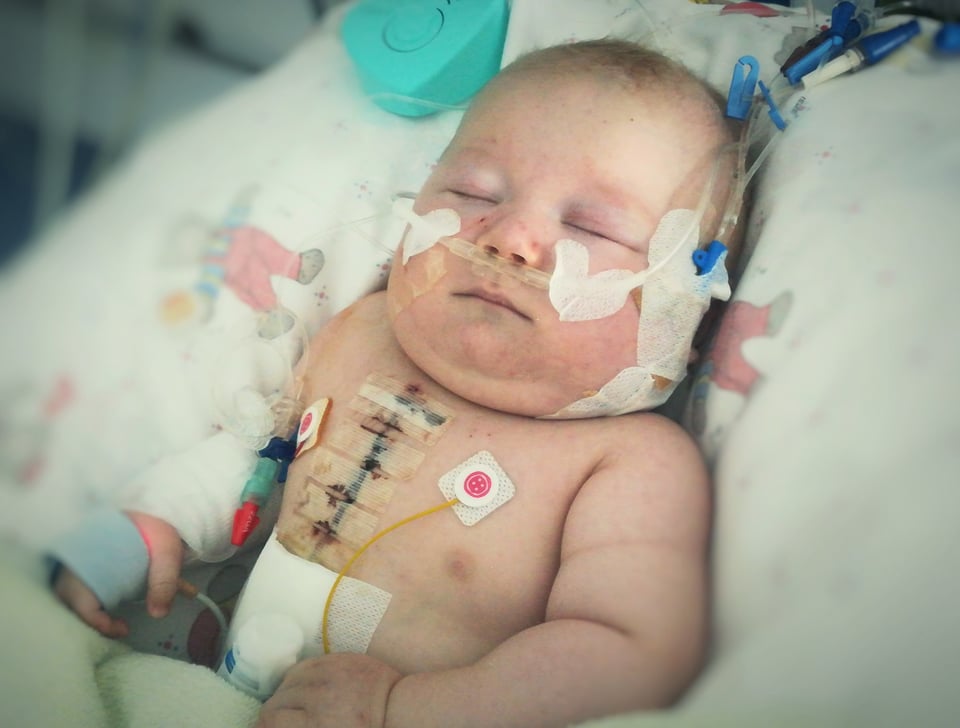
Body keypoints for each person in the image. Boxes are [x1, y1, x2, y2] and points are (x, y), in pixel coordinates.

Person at [50, 39, 743, 728]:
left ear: (688, 310)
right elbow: (262, 459)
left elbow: (626, 658)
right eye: (472, 192)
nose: (509, 238)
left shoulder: (630, 464)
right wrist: (161, 520)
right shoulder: (362, 332)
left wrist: (402, 709)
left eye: (591, 227)